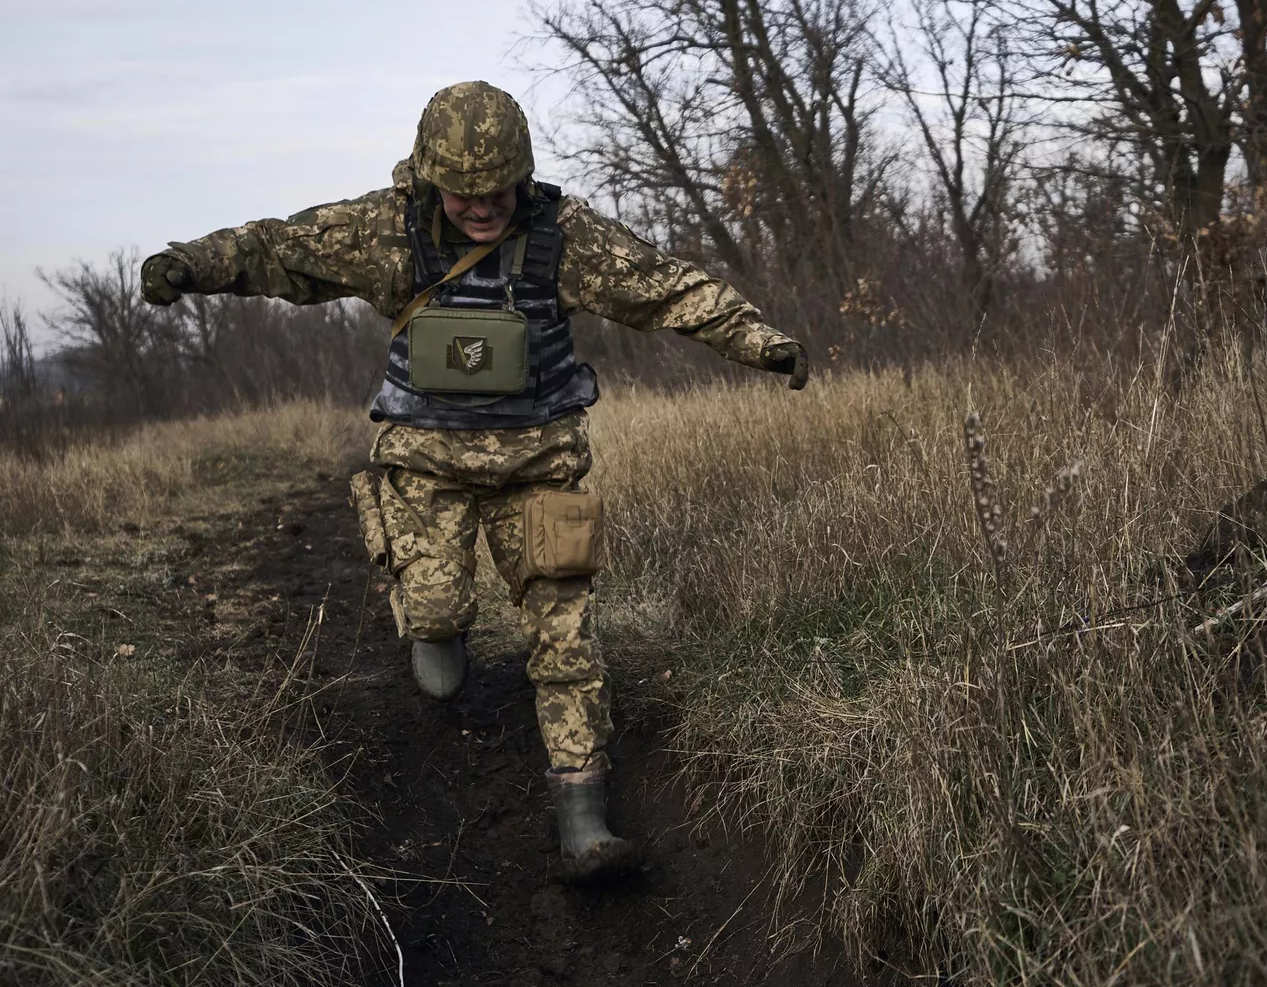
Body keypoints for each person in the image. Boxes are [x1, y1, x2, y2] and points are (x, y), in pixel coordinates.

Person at [140, 81, 807, 881]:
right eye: (463, 193)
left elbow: (667, 289)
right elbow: (278, 248)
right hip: (425, 465)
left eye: (496, 190)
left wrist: (761, 341)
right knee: (438, 633)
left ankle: (584, 821)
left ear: (521, 176)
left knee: (565, 640)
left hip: (541, 466)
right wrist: (188, 264)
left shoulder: (566, 237)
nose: (482, 206)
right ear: (430, 181)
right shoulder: (384, 231)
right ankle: (436, 623)